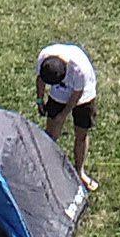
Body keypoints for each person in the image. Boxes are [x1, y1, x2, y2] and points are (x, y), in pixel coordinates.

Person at [34, 46, 99, 188]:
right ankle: (47, 171)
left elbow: (77, 94)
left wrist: (63, 115)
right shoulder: (44, 58)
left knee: (81, 133)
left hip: (83, 94)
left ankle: (79, 172)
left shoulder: (80, 70)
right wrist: (40, 100)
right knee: (51, 134)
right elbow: (40, 78)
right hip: (60, 92)